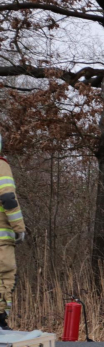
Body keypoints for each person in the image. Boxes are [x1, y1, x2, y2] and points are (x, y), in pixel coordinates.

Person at [0, 133, 24, 330]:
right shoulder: (1, 166)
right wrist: (19, 229)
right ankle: (0, 321)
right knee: (5, 277)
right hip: (1, 239)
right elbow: (8, 199)